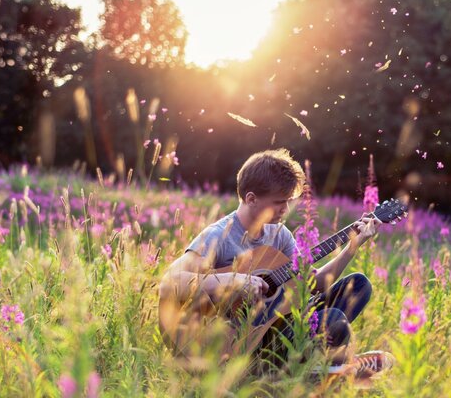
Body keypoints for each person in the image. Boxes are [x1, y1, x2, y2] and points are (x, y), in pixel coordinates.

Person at [159, 148, 394, 378]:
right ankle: (321, 368)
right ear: (251, 199)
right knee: (333, 321)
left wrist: (352, 246)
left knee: (358, 285)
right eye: (279, 202)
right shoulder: (219, 236)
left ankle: (314, 366)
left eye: (289, 201)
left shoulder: (279, 235)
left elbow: (312, 285)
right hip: (240, 344)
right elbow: (172, 282)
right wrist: (234, 280)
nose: (285, 209)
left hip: (280, 328)